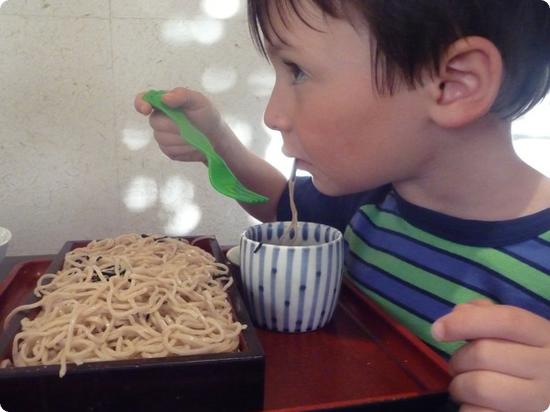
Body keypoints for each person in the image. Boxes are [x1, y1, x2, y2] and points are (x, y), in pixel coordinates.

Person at [135, 1, 550, 410]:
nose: (272, 115)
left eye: (297, 71)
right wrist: (216, 142)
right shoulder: (369, 198)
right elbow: (283, 209)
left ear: (454, 84)